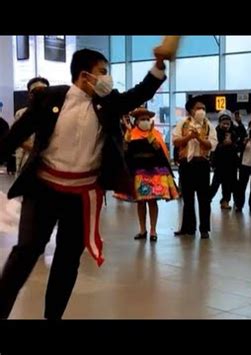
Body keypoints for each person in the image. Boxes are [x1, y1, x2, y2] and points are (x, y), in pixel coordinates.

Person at [0, 42, 171, 319]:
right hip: (44, 190)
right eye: (102, 72)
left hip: (82, 197)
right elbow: (14, 137)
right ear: (84, 75)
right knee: (25, 253)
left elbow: (140, 92)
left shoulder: (108, 103)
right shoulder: (49, 99)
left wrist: (159, 66)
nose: (107, 78)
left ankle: (52, 317)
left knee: (67, 261)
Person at [114, 107, 179, 242]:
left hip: (154, 172)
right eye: (142, 119)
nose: (145, 121)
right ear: (136, 121)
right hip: (138, 172)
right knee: (141, 202)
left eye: (147, 119)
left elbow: (159, 150)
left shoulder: (155, 133)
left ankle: (153, 230)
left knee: (153, 201)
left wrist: (150, 136)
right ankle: (142, 229)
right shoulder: (131, 134)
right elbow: (125, 151)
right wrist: (126, 134)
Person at [172, 96, 217, 239]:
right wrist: (190, 137)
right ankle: (188, 227)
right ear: (191, 110)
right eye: (198, 108)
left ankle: (204, 229)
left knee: (204, 198)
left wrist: (198, 138)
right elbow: (176, 141)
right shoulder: (182, 123)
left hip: (202, 163)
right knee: (188, 198)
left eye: (203, 109)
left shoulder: (209, 125)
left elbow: (212, 145)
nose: (201, 111)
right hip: (186, 164)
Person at [15, 77, 50, 173]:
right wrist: (37, 150)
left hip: (50, 163)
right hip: (27, 161)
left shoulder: (56, 113)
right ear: (30, 94)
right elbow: (18, 139)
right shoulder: (21, 114)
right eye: (36, 92)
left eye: (43, 91)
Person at [210, 110, 239, 210]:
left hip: (231, 163)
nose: (226, 125)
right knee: (215, 183)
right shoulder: (215, 132)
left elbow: (238, 144)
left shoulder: (233, 132)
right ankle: (208, 199)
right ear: (220, 123)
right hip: (219, 163)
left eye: (228, 123)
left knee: (227, 185)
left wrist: (232, 144)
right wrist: (223, 145)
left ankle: (225, 201)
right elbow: (213, 147)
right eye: (224, 123)